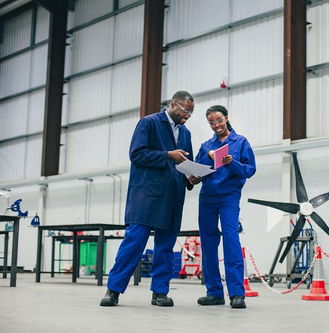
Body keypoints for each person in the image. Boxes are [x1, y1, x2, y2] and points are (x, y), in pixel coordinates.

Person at [100, 91, 197, 307]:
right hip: (146, 194)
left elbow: (185, 163)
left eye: (191, 112)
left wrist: (192, 177)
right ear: (173, 104)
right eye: (185, 111)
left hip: (172, 196)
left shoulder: (186, 133)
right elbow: (137, 154)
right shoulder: (148, 123)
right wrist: (167, 155)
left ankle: (160, 292)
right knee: (134, 242)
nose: (187, 116)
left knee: (165, 246)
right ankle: (113, 290)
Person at [191, 105, 256, 309]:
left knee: (231, 240)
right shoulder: (205, 146)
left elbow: (249, 170)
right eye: (211, 122)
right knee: (208, 243)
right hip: (208, 197)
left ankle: (237, 294)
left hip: (229, 197)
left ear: (226, 118)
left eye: (219, 120)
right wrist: (193, 177)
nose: (216, 125)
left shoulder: (240, 142)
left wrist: (231, 163)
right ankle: (214, 292)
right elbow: (198, 171)